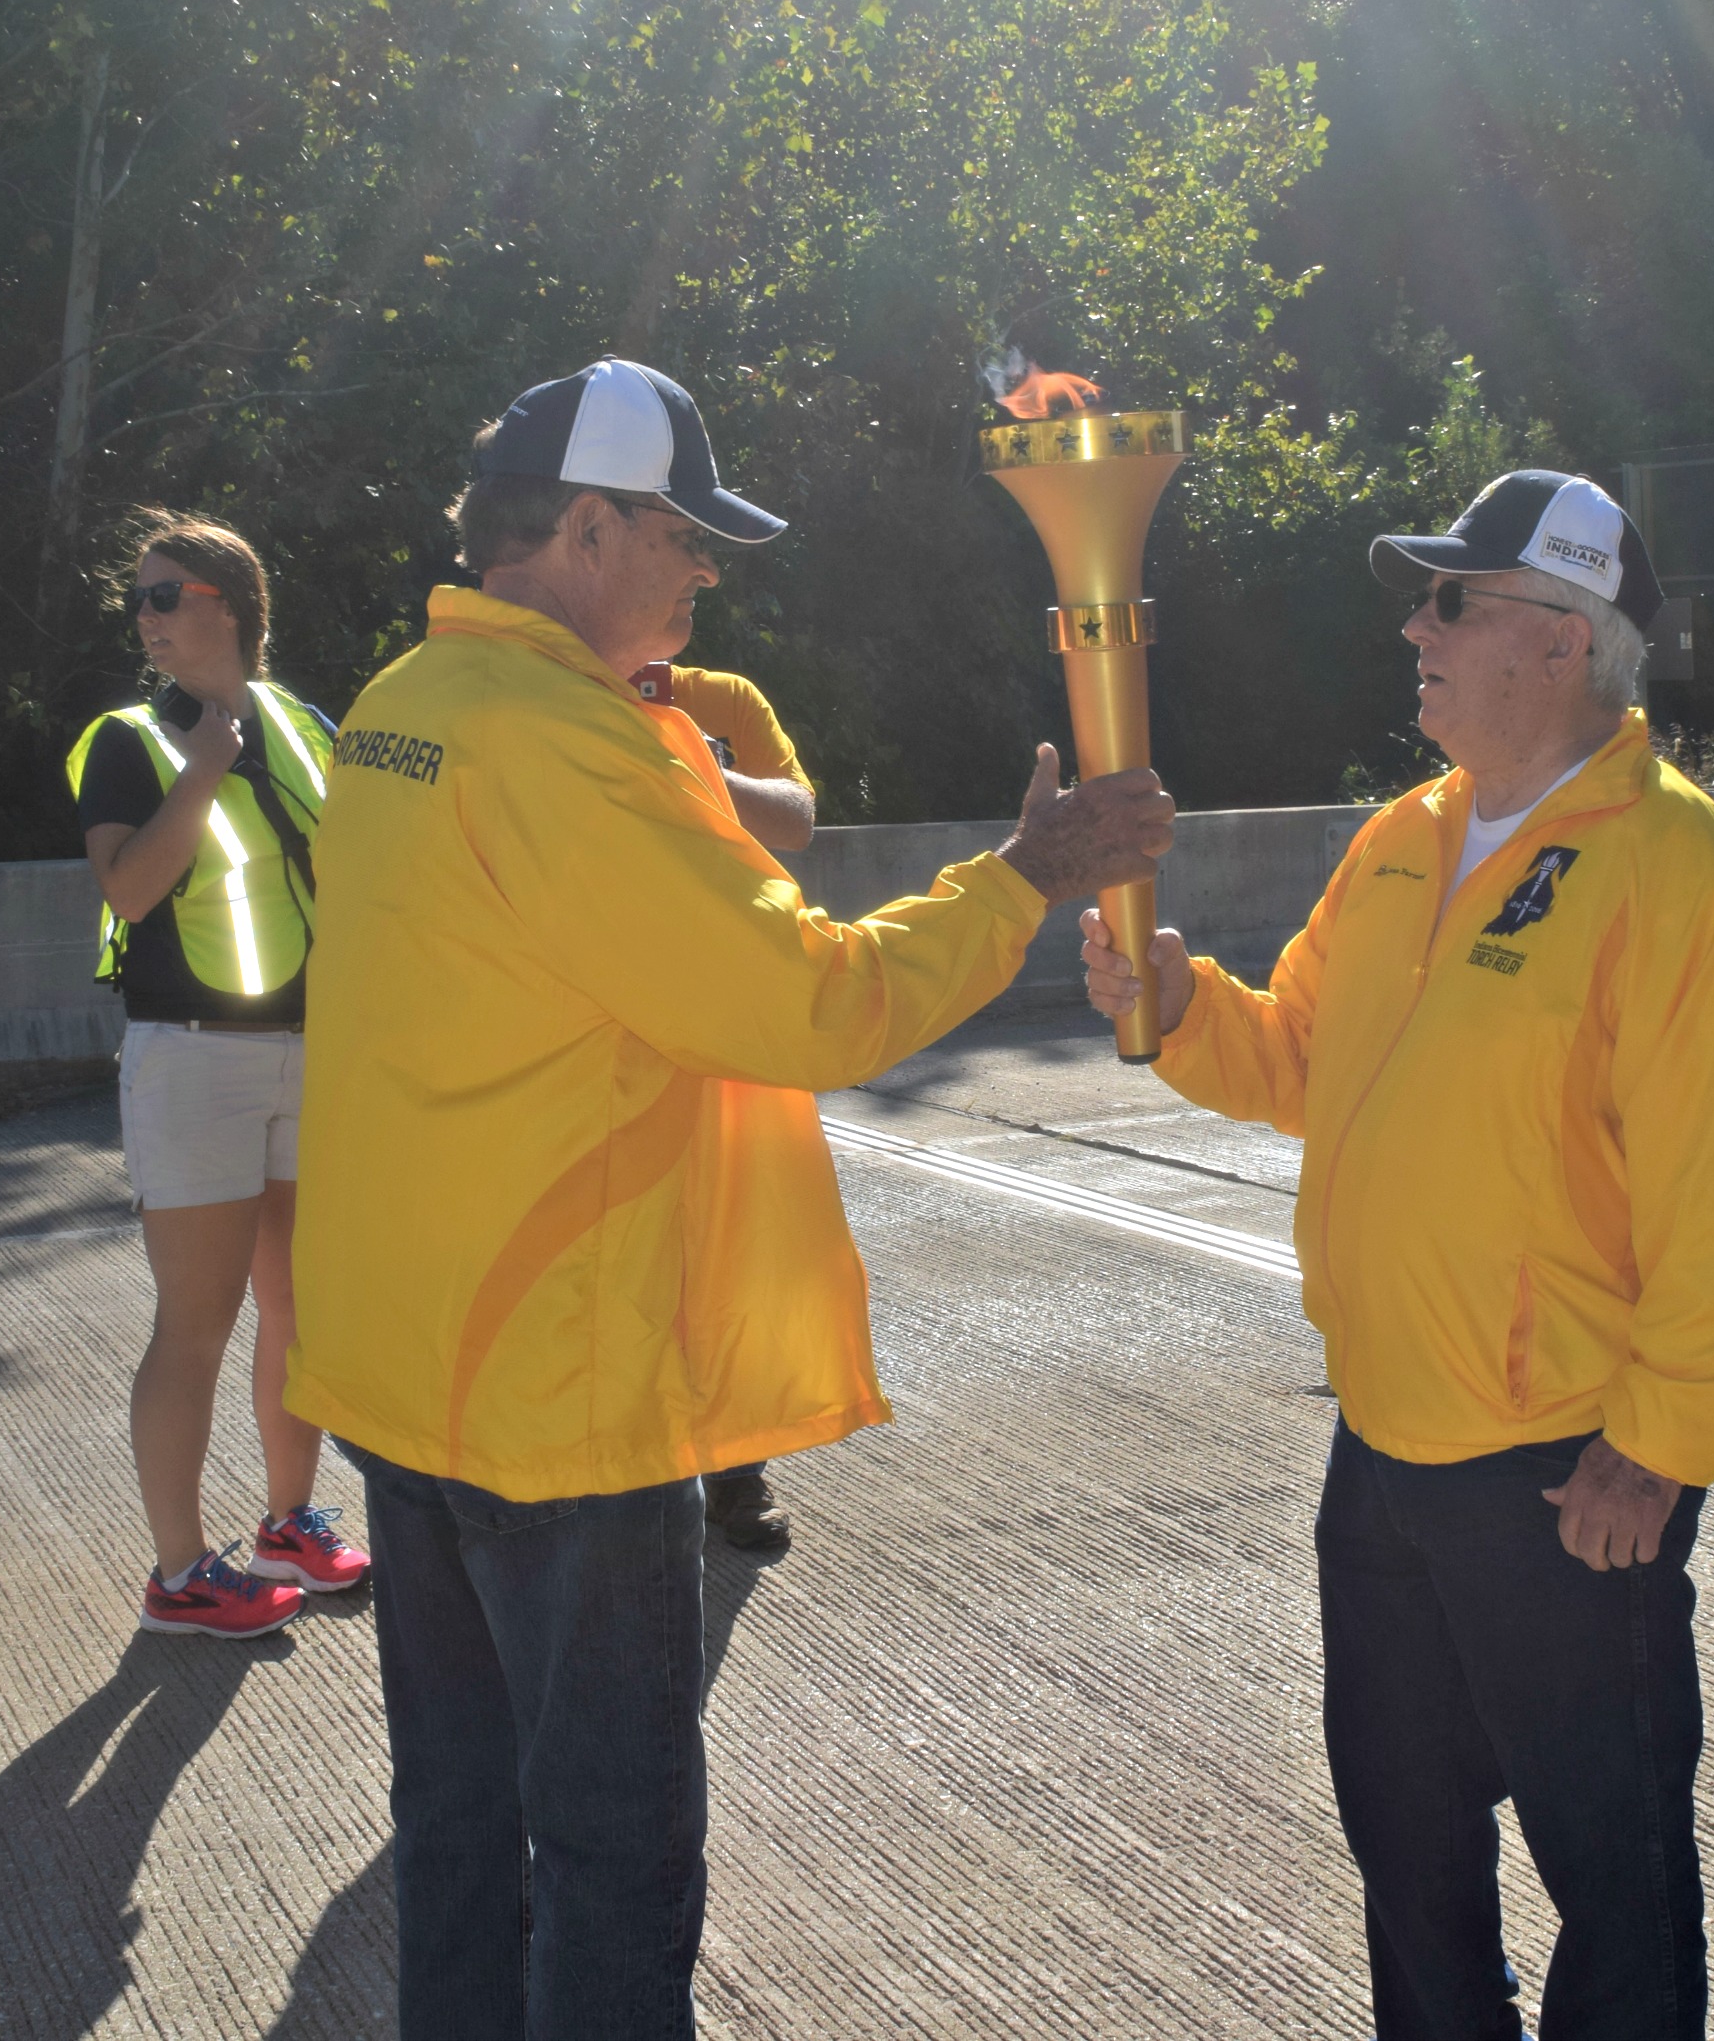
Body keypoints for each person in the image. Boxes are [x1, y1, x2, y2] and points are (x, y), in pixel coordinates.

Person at [283, 357, 1173, 2040]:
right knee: (614, 1857)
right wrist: (1023, 881)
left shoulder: (408, 700)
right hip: (557, 1395)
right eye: (687, 538)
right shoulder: (563, 742)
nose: (706, 574)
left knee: (462, 1834)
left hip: (408, 1367)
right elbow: (809, 1003)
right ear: (591, 529)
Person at [1084, 469, 1714, 2041]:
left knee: (1612, 1876)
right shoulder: (1404, 839)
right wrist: (1181, 1002)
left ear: (1561, 639)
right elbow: (1297, 1057)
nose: (1413, 626)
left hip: (1567, 1479)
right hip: (1387, 1445)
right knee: (1404, 1851)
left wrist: (1660, 1449)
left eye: (1451, 601)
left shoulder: (1675, 870)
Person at [66, 510, 374, 1639]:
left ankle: (291, 1521)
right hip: (191, 1059)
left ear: (227, 608)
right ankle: (182, 1574)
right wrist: (201, 768)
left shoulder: (307, 723)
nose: (142, 619)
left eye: (163, 597)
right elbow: (130, 892)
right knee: (196, 1321)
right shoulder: (127, 740)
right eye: (138, 599)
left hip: (313, 1049)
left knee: (298, 1309)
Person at [629, 656, 816, 1554]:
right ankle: (640, 1466)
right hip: (611, 1007)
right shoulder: (546, 684)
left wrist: (699, 760)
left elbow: (797, 818)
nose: (695, 574)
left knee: (726, 1242)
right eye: (675, 546)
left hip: (722, 1005)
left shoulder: (729, 697)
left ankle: (735, 1472)